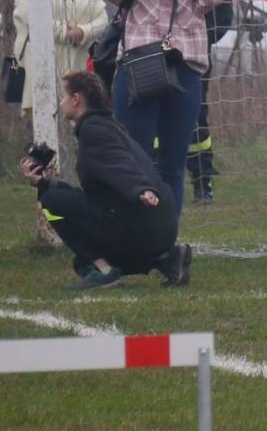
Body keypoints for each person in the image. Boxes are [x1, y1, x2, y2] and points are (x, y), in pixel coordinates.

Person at [96, 0, 231, 219]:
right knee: (136, 159)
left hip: (184, 72)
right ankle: (133, 232)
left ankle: (165, 235)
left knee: (172, 163)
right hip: (137, 70)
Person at [18, 71, 188, 290]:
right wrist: (41, 181)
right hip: (159, 228)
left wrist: (140, 189)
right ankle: (167, 261)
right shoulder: (110, 125)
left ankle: (105, 272)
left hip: (143, 222)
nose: (61, 103)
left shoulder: (93, 131)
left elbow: (120, 164)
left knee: (52, 200)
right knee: (82, 261)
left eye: (63, 96)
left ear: (76, 99)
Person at [185, 0, 233, 204]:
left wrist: (200, 41)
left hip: (195, 59)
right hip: (153, 58)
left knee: (196, 118)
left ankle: (202, 182)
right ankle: (154, 182)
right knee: (155, 120)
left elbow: (224, 12)